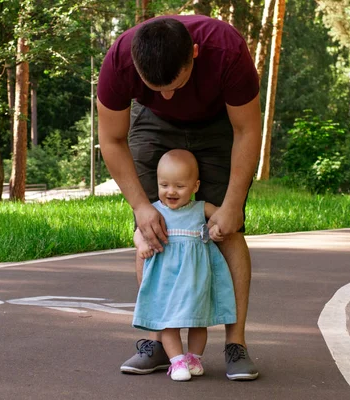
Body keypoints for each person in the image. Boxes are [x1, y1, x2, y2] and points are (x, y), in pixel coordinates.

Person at [97, 14, 261, 381]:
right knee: (153, 229)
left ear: (195, 55)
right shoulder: (119, 60)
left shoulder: (227, 51)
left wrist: (232, 204)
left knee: (226, 230)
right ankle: (159, 341)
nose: (168, 95)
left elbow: (248, 128)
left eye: (175, 84)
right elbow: (111, 139)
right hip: (153, 124)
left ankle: (236, 344)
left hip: (220, 122)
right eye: (156, 86)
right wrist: (140, 207)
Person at [132, 149, 236, 382]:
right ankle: (176, 361)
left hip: (196, 279)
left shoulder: (201, 208)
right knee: (168, 320)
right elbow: (139, 233)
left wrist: (217, 228)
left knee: (198, 320)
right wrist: (141, 245)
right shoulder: (154, 211)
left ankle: (194, 358)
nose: (171, 191)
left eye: (179, 186)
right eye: (164, 185)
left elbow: (222, 218)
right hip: (166, 277)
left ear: (195, 186)